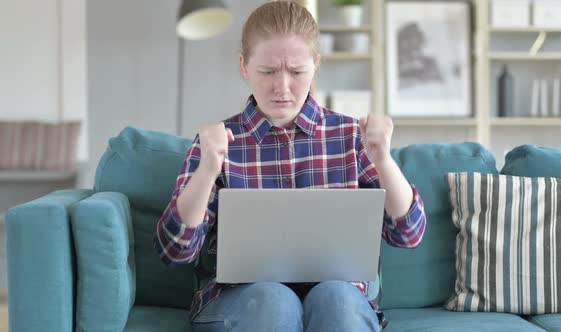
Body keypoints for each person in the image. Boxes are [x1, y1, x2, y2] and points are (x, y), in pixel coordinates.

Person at [154, 1, 426, 331]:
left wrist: (382, 159)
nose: (282, 87)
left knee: (335, 300)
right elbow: (174, 251)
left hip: (340, 298)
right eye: (268, 71)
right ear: (243, 66)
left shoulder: (352, 136)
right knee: (273, 301)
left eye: (296, 72)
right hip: (242, 300)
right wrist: (208, 169)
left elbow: (409, 234)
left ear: (315, 66)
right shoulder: (218, 141)